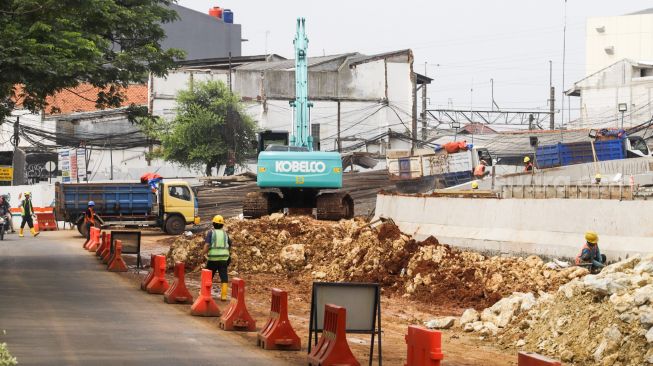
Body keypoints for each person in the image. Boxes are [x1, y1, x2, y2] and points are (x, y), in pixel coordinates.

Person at [202, 215, 232, 301]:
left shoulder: (211, 233)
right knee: (224, 276)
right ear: (222, 225)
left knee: (208, 276)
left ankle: (204, 293)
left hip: (213, 258)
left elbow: (207, 245)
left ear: (213, 224)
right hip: (223, 259)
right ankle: (224, 296)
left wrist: (203, 253)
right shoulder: (225, 234)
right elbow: (229, 244)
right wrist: (228, 254)